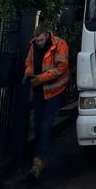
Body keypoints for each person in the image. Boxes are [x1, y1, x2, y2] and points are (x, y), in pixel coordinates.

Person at [24, 24, 69, 181]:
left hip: (54, 91)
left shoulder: (60, 45)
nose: (39, 43)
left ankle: (38, 161)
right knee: (38, 125)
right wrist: (29, 73)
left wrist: (40, 78)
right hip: (39, 90)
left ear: (47, 35)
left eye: (41, 40)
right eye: (37, 41)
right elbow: (29, 62)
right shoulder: (33, 45)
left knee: (45, 125)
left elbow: (61, 68)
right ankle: (40, 156)